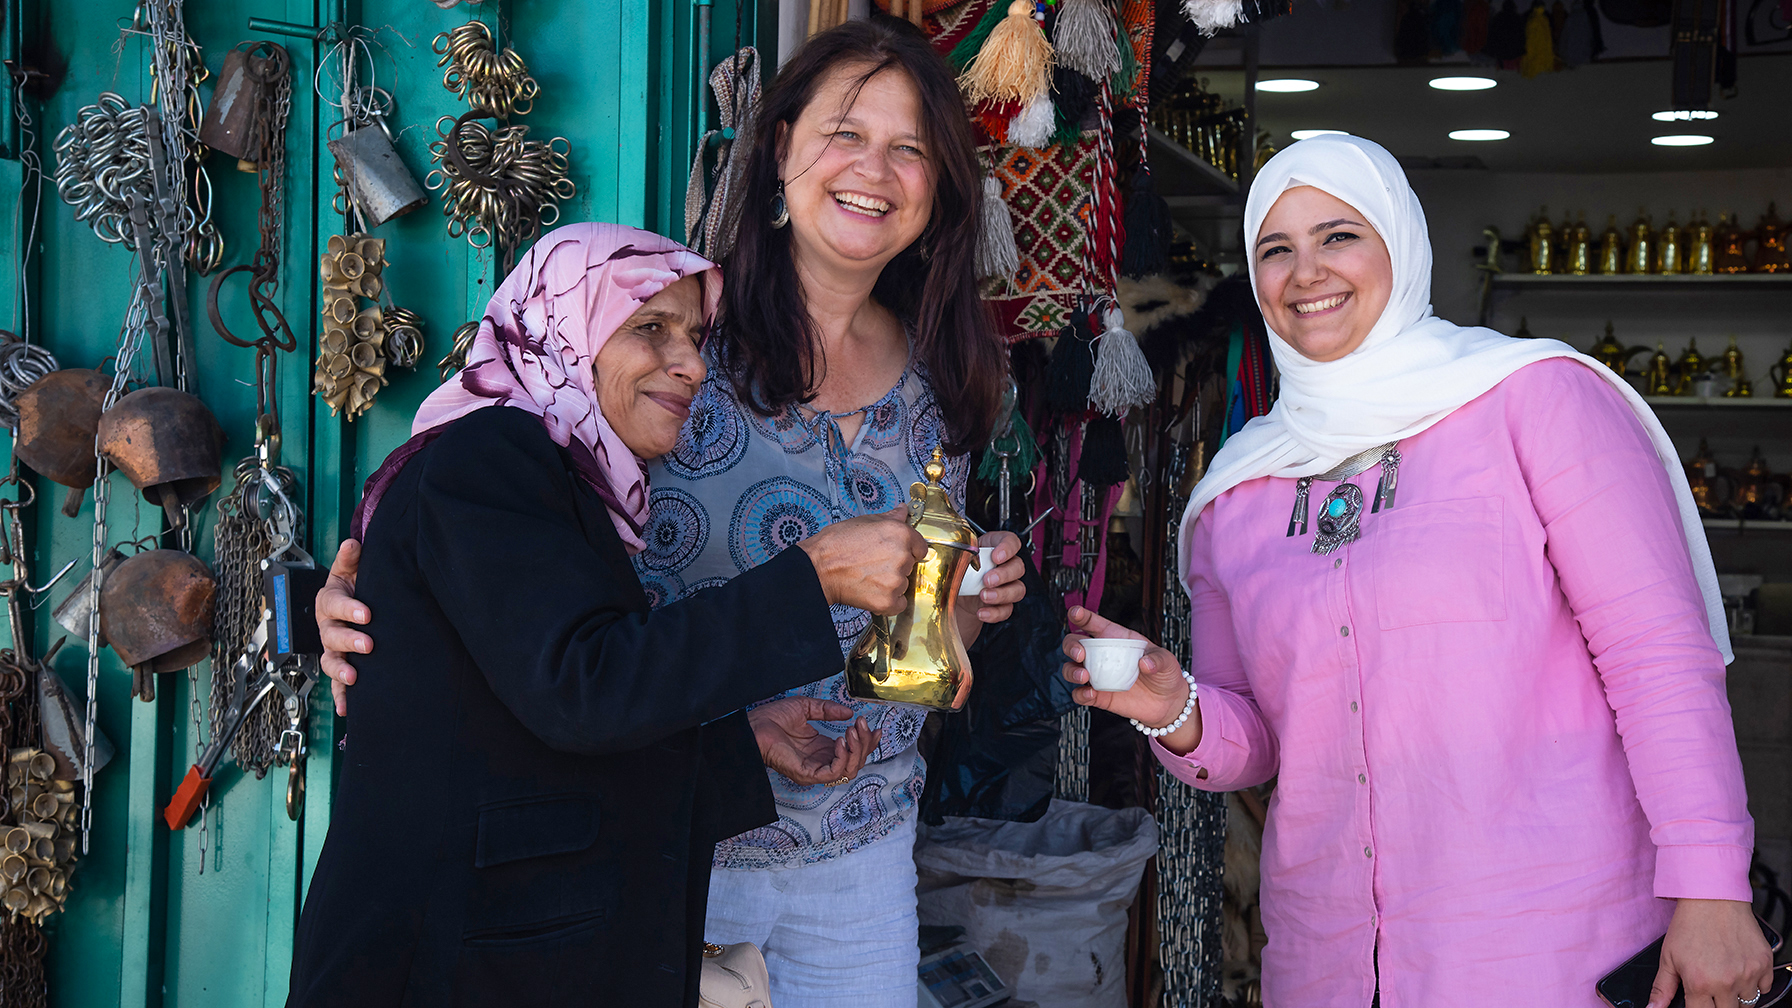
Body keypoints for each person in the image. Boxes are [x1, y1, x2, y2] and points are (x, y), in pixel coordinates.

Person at [315, 19, 1027, 1008]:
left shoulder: (938, 377)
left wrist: (959, 610)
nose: (877, 169)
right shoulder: (657, 335)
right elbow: (471, 514)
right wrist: (352, 600)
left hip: (861, 844)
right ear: (778, 148)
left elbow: (921, 661)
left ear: (942, 183)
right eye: (846, 133)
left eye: (910, 147)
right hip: (671, 839)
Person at [1061, 135, 1770, 1008]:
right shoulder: (1238, 489)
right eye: (1274, 249)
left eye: (1339, 236)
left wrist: (1712, 889)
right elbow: (1260, 743)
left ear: (1401, 240)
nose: (1306, 271)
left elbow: (1658, 657)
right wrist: (1175, 709)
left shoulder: (1534, 400)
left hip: (1549, 949)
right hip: (1329, 959)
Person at [288, 223, 935, 1008]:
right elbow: (580, 690)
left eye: (695, 336)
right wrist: (813, 575)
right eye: (649, 328)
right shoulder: (489, 457)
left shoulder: (561, 482)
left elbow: (518, 739)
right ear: (563, 329)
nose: (692, 364)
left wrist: (742, 745)